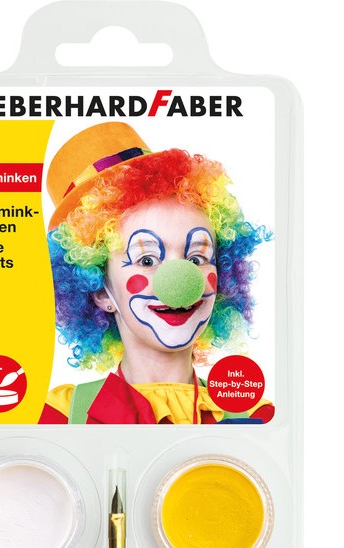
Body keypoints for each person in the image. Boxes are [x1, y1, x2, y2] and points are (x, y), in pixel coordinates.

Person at [39, 122, 274, 425]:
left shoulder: (258, 418)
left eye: (196, 258)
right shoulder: (58, 417)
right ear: (99, 290)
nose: (181, 281)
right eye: (147, 260)